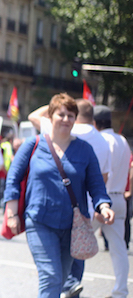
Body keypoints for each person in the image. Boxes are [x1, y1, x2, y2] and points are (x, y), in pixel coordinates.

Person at [4, 93, 114, 298]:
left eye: (71, 115)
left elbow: (97, 186)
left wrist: (104, 206)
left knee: (61, 279)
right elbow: (13, 178)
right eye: (61, 114)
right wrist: (11, 212)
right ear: (50, 116)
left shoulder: (85, 150)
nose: (66, 119)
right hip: (39, 221)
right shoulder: (33, 144)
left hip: (73, 227)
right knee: (51, 277)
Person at [92, 105, 130, 298]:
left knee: (76, 240)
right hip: (119, 198)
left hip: (103, 200)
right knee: (119, 249)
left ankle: (68, 282)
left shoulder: (102, 140)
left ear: (94, 123)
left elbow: (103, 173)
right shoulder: (122, 140)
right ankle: (121, 291)